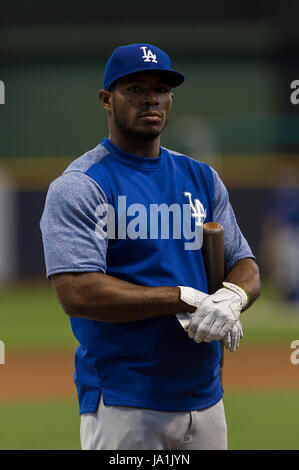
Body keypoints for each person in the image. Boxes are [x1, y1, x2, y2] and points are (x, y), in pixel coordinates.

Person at [40, 43, 261, 450]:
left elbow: (243, 263)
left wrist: (232, 296)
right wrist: (182, 297)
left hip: (207, 396)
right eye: (135, 89)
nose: (150, 99)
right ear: (107, 100)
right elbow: (77, 291)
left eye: (161, 89)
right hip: (126, 401)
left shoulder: (201, 177)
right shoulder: (82, 185)